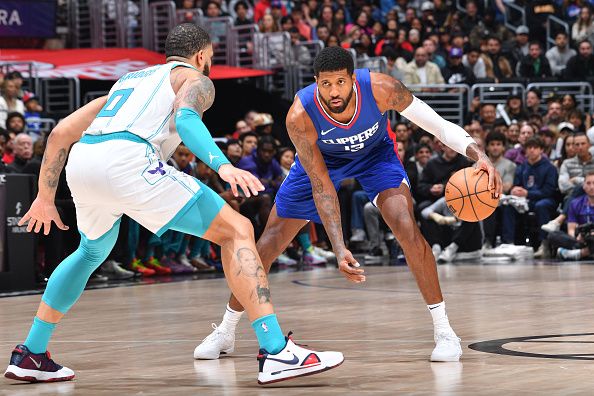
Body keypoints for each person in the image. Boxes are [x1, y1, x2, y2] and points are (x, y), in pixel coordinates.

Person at [4, 23, 343, 385]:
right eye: (210, 59)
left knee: (90, 252)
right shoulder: (195, 79)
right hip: (129, 159)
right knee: (238, 230)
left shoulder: (129, 82)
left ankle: (32, 353)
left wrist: (44, 196)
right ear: (201, 56)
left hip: (85, 161)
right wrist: (223, 164)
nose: (209, 65)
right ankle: (276, 351)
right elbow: (186, 117)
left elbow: (59, 134)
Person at [195, 46, 502, 363]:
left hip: (375, 157)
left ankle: (445, 331)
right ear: (316, 82)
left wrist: (479, 155)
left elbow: (437, 125)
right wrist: (339, 248)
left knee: (407, 227)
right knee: (268, 244)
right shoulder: (300, 116)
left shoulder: (382, 89)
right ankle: (226, 330)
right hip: (322, 165)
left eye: (340, 82)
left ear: (353, 79)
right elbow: (322, 185)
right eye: (325, 84)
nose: (333, 91)